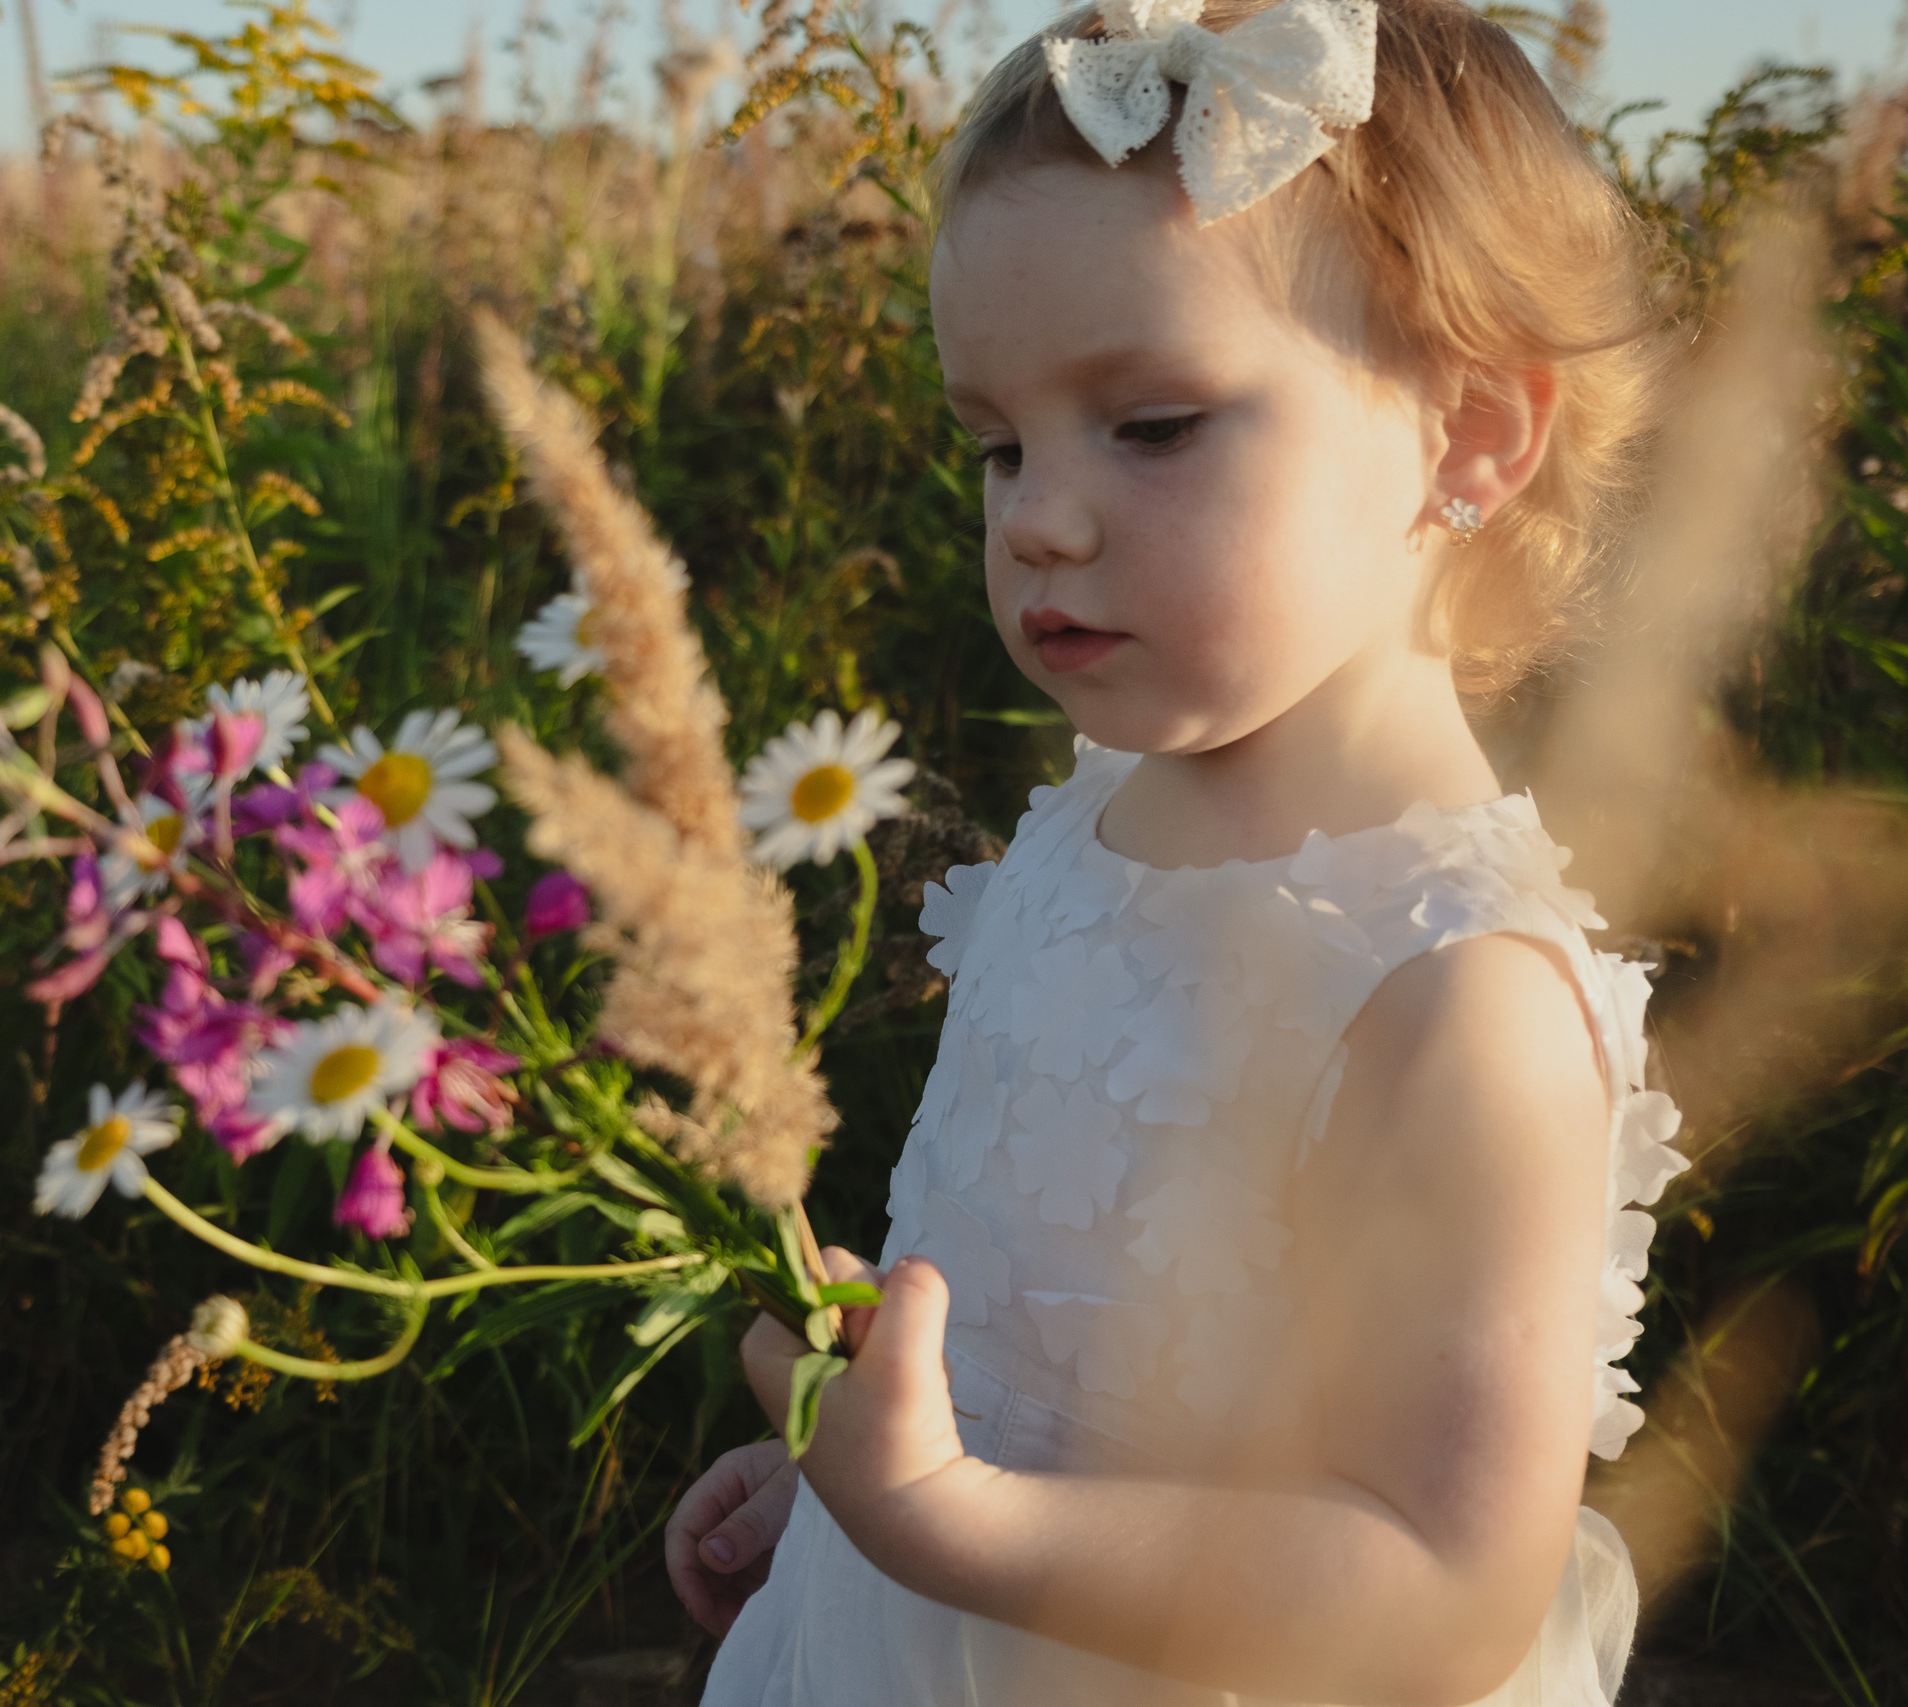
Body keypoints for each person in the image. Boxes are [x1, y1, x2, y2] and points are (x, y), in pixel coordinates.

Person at [666, 2, 1689, 1702]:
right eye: (998, 444)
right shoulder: (1090, 826)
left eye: (1151, 426)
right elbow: (1043, 1339)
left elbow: (1444, 1594)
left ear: (1470, 436)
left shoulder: (1458, 999)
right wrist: (843, 1492)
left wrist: (939, 1517)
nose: (1036, 517)